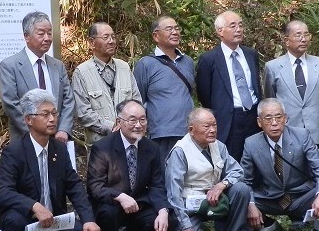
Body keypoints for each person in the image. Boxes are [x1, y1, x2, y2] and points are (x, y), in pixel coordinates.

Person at [0, 89, 101, 231]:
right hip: (24, 220)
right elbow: (3, 192)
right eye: (45, 114)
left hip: (52, 222)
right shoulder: (14, 152)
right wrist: (34, 206)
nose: (52, 119)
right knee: (13, 221)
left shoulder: (59, 149)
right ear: (28, 120)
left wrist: (89, 219)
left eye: (54, 113)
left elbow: (74, 186)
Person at [240, 99, 319, 231]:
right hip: (270, 197)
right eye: (268, 118)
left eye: (278, 117)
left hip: (300, 195)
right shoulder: (251, 143)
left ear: (285, 118)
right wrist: (251, 205)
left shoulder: (302, 135)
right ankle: (269, 225)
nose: (274, 123)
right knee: (240, 198)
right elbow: (245, 180)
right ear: (259, 122)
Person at [86, 100, 170, 231]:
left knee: (168, 219)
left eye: (142, 120)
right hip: (112, 204)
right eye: (132, 120)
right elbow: (95, 187)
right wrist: (120, 196)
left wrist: (163, 211)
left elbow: (156, 185)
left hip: (138, 204)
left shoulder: (152, 148)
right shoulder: (102, 147)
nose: (138, 125)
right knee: (107, 213)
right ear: (119, 122)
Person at [166, 108, 257, 231]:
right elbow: (173, 193)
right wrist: (186, 226)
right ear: (191, 130)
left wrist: (222, 185)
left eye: (214, 125)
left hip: (215, 200)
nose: (212, 130)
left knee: (241, 189)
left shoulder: (218, 146)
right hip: (189, 206)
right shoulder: (180, 151)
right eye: (206, 126)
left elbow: (238, 171)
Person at [0, 11, 75, 143]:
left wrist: (64, 129)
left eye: (49, 33)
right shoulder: (10, 65)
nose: (47, 38)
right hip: (26, 139)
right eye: (41, 34)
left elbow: (68, 100)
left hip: (58, 139)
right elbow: (11, 104)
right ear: (26, 36)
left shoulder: (58, 65)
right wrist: (35, 132)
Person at [196, 10, 262, 160]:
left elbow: (256, 85)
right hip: (228, 118)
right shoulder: (209, 59)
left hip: (253, 115)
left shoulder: (251, 54)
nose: (238, 29)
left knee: (256, 157)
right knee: (232, 159)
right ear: (220, 31)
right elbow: (204, 94)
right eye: (233, 26)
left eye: (240, 25)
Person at [263, 20, 319, 148]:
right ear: (286, 40)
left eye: (306, 35)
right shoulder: (272, 67)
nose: (303, 39)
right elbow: (270, 99)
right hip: (287, 130)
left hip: (318, 130)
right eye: (298, 35)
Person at [134, 16, 196, 162]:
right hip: (161, 133)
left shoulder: (187, 62)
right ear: (156, 36)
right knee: (163, 176)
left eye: (176, 28)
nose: (175, 32)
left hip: (189, 131)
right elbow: (138, 99)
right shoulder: (146, 64)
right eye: (169, 29)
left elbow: (188, 92)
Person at [72, 22, 142, 144]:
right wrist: (112, 126)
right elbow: (83, 112)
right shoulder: (82, 72)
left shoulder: (124, 67)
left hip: (129, 142)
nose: (111, 41)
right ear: (91, 42)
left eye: (113, 37)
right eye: (106, 37)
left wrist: (127, 125)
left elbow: (136, 101)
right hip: (99, 145)